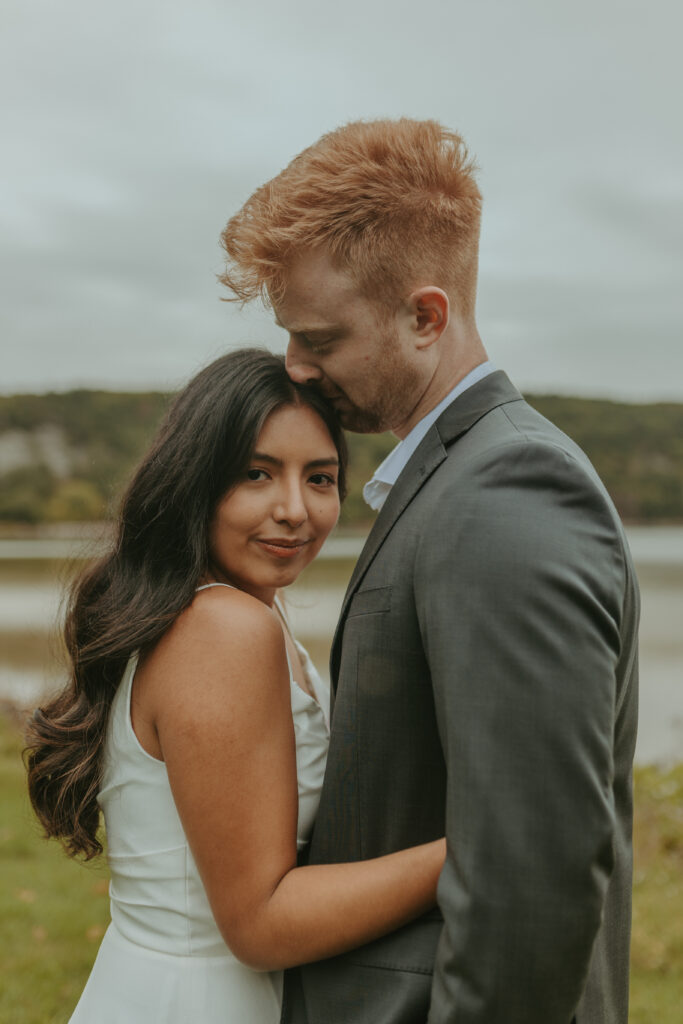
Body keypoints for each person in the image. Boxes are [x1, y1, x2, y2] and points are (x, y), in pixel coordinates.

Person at [219, 118, 640, 1023]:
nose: (293, 366)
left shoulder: (504, 492)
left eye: (320, 339)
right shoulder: (450, 476)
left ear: (424, 316)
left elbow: (531, 872)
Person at [25, 349, 446, 1024]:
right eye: (256, 473)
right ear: (197, 480)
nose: (294, 510)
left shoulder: (233, 610)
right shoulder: (223, 629)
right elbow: (259, 925)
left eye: (319, 478)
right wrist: (474, 850)